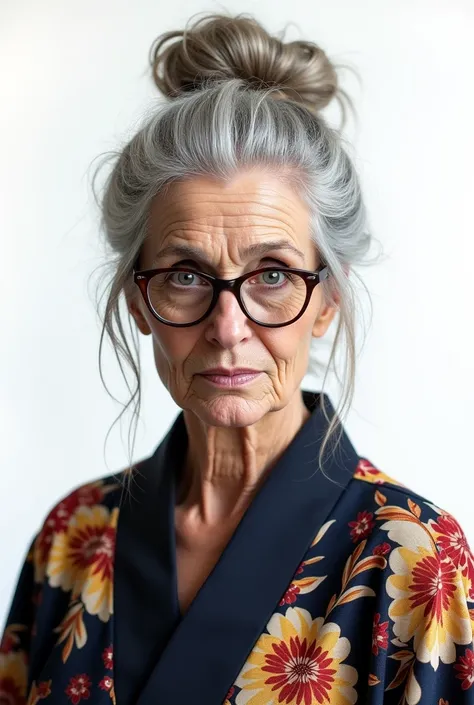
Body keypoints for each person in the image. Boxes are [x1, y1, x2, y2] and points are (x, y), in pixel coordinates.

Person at [1, 12, 473, 705]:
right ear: (138, 298)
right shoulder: (73, 539)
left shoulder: (416, 564)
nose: (228, 327)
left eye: (273, 274)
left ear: (328, 298)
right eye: (186, 273)